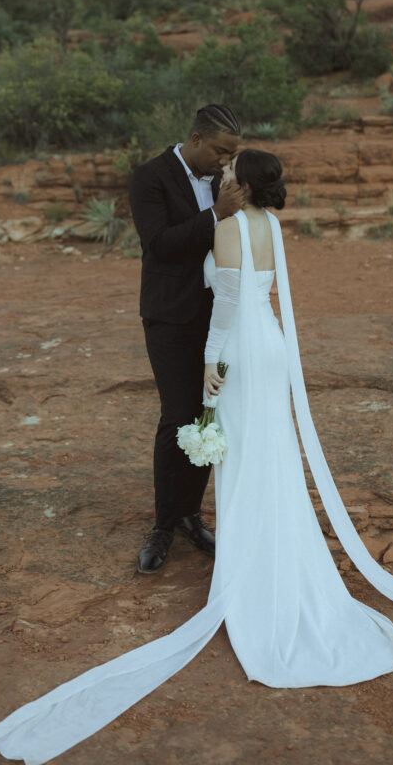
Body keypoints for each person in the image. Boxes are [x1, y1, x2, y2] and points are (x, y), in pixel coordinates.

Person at [0, 149, 393, 765]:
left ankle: (250, 575)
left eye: (231, 172)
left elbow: (225, 304)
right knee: (270, 458)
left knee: (245, 459)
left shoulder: (227, 226)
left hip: (242, 356)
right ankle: (272, 552)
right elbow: (261, 292)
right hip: (271, 346)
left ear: (242, 182)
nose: (222, 175)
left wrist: (210, 368)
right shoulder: (272, 225)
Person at [127, 104, 243, 574]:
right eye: (220, 151)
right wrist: (217, 214)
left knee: (207, 415)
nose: (225, 161)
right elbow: (161, 244)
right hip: (170, 317)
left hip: (217, 320)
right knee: (177, 416)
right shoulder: (149, 177)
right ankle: (162, 525)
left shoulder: (223, 183)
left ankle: (192, 515)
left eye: (231, 154)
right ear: (196, 139)